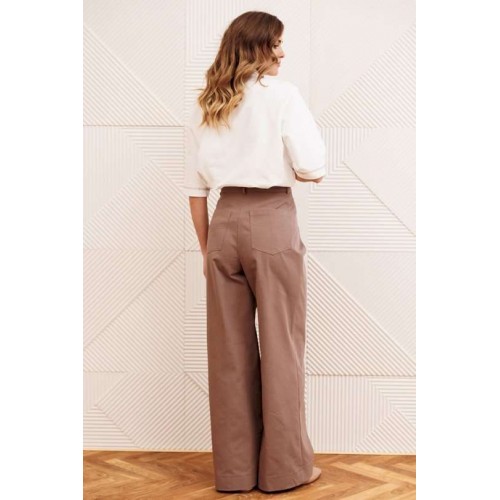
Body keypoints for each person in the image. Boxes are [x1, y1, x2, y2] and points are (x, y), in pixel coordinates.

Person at [184, 10, 325, 494]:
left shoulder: (206, 103)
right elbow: (312, 167)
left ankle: (236, 473)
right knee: (282, 347)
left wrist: (209, 250)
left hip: (222, 223)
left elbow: (195, 190)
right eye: (276, 44)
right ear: (255, 47)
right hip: (270, 218)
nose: (283, 53)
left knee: (229, 354)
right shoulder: (282, 96)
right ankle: (284, 471)